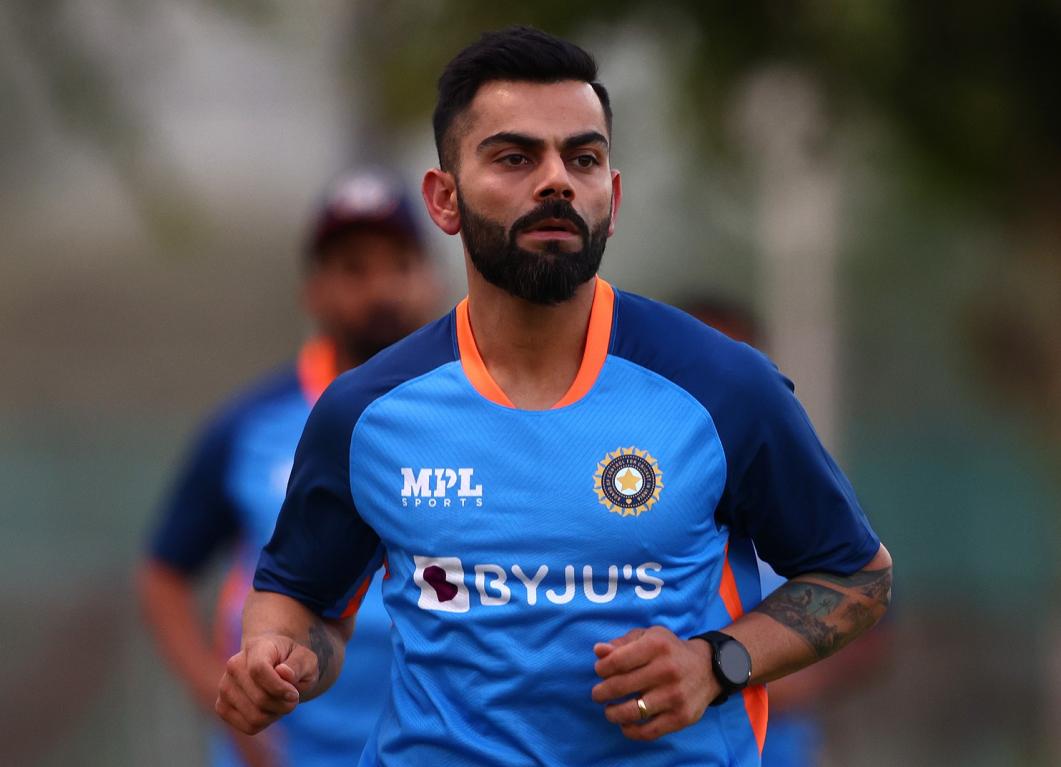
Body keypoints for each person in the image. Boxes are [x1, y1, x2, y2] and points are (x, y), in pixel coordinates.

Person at [215, 27, 893, 767]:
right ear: (444, 199)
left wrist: (717, 661)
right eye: (514, 157)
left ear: (613, 197)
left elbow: (855, 575)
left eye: (583, 158)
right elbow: (300, 602)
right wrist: (279, 659)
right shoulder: (365, 412)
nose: (556, 181)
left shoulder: (724, 386)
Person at [139, 168, 439, 767]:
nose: (380, 289)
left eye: (399, 265)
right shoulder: (250, 425)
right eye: (354, 268)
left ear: (432, 280)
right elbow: (163, 574)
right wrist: (222, 700)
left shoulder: (472, 417)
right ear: (314, 291)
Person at [683, 296, 891, 767]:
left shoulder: (807, 497)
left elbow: (869, 611)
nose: (717, 384)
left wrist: (736, 671)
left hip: (779, 750)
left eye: (734, 361)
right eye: (699, 363)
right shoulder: (640, 496)